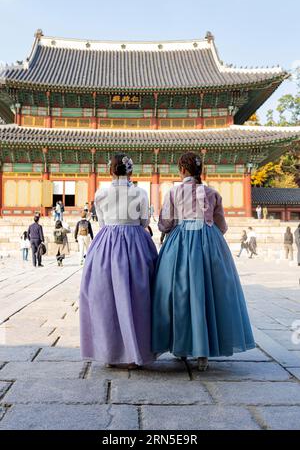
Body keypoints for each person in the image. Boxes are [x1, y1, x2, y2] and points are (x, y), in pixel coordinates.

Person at [152, 152, 255, 372]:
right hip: (209, 240)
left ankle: (180, 346)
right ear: (200, 170)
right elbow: (221, 225)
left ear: (182, 170)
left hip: (181, 241)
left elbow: (166, 223)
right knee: (208, 293)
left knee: (176, 292)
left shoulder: (173, 192)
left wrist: (166, 228)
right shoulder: (212, 193)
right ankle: (203, 352)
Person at [80, 154, 158, 368]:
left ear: (110, 171)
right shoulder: (140, 193)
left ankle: (109, 353)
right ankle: (135, 354)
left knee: (105, 298)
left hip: (106, 244)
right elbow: (144, 221)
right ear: (130, 171)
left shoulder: (101, 193)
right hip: (136, 243)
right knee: (137, 297)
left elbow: (103, 221)